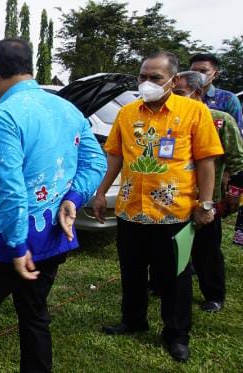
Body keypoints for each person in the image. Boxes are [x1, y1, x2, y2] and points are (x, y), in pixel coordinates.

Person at [0, 38, 106, 373]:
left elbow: (10, 188)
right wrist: (73, 199)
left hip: (15, 240)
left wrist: (18, 243)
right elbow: (96, 163)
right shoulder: (67, 108)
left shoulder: (3, 115)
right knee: (34, 312)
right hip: (54, 233)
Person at [93, 52, 223, 363]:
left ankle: (176, 334)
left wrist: (205, 203)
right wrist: (100, 193)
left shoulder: (194, 112)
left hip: (173, 213)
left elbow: (207, 161)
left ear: (174, 80)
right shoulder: (127, 114)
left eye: (155, 78)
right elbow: (115, 157)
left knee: (174, 277)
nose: (147, 83)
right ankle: (133, 319)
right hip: (131, 209)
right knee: (132, 271)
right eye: (142, 76)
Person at [173, 71, 243, 313]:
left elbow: (237, 161)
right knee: (171, 248)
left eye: (180, 93)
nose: (174, 98)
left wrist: (232, 194)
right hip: (172, 198)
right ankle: (162, 286)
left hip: (206, 199)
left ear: (197, 93)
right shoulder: (171, 119)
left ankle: (213, 294)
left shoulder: (220, 120)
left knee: (207, 251)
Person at [189, 53, 243, 128]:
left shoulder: (228, 99)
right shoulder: (181, 97)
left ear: (215, 74)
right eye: (193, 71)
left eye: (203, 71)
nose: (197, 74)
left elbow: (237, 131)